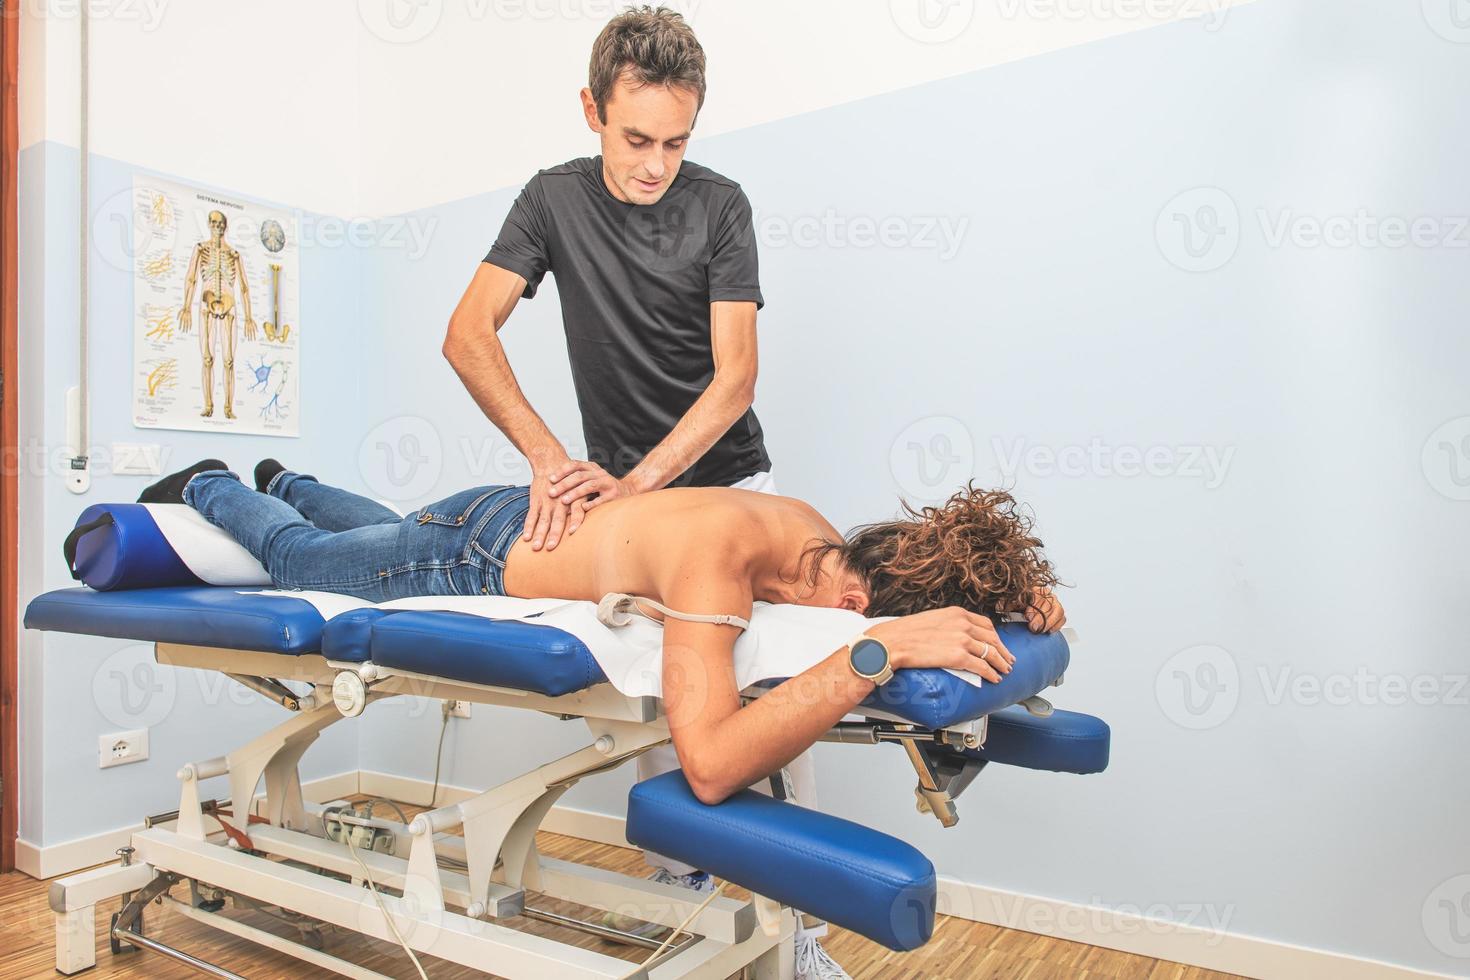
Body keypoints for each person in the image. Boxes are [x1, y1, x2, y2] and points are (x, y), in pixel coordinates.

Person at [145, 458, 1065, 972]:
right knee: (310, 559)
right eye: (880, 622)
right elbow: (706, 765)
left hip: (497, 518)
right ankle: (218, 484)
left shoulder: (823, 542)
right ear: (862, 599)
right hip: (476, 555)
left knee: (375, 528)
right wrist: (878, 656)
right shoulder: (725, 560)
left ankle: (293, 474)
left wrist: (1025, 600)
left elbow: (950, 577)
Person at [443, 6, 838, 963]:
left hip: (731, 488)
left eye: (675, 140)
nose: (655, 163)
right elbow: (468, 334)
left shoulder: (721, 205)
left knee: (782, 701)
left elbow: (733, 377)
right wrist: (549, 458)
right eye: (635, 139)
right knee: (664, 719)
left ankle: (798, 939)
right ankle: (688, 915)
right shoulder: (552, 200)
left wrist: (640, 482)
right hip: (637, 514)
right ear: (591, 108)